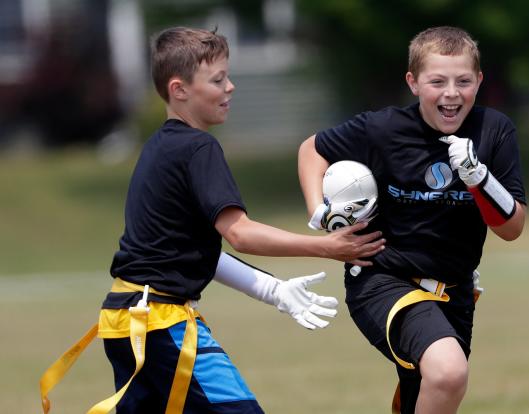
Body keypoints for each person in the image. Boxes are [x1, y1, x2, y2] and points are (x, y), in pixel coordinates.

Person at [39, 27, 385, 414]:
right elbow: (239, 233)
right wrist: (328, 247)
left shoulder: (158, 148)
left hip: (124, 319)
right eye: (218, 79)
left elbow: (192, 251)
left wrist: (274, 291)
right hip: (158, 323)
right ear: (179, 89)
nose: (231, 87)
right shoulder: (198, 148)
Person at [298, 26, 526, 414]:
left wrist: (479, 179)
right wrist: (319, 211)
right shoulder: (383, 128)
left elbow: (512, 228)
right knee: (449, 371)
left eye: (463, 81)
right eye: (437, 81)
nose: (451, 93)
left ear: (480, 81)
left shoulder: (494, 131)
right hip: (382, 279)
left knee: (425, 392)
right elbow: (312, 150)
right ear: (413, 83)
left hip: (454, 293)